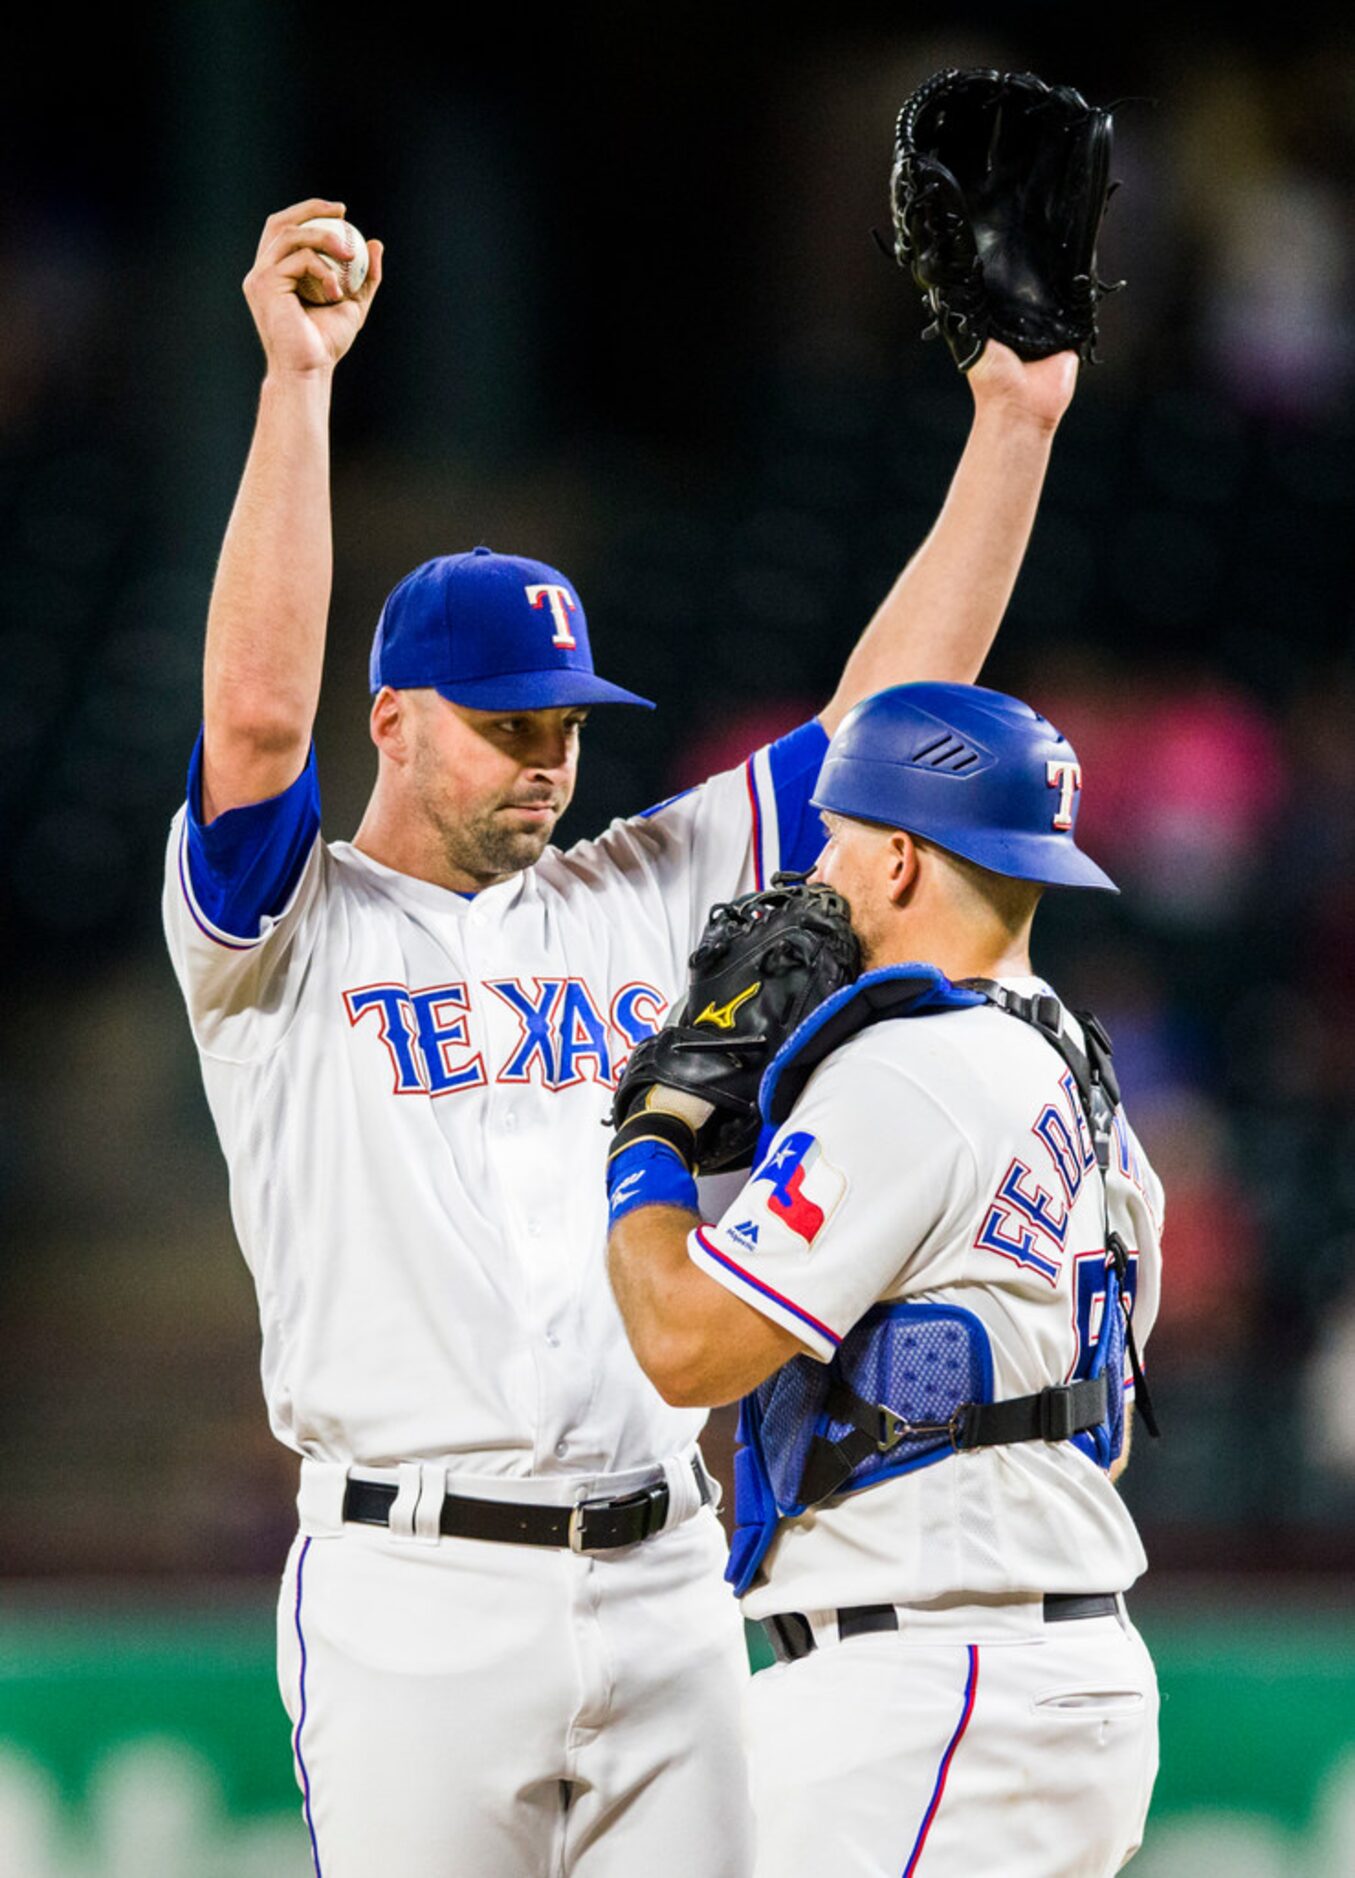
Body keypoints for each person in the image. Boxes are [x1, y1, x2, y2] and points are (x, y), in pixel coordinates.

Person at [162, 196, 1081, 1878]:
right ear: (395, 719)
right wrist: (298, 384)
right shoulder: (281, 933)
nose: (547, 757)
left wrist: (1014, 421)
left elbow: (883, 733)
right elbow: (253, 719)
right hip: (410, 1589)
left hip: (667, 1573)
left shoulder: (640, 890)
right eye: (508, 723)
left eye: (569, 725)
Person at [605, 681, 1164, 1878]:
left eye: (839, 836)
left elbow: (684, 1346)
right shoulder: (1087, 1079)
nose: (820, 870)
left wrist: (648, 1137)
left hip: (926, 1696)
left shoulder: (906, 1070)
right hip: (1060, 1677)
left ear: (903, 857)